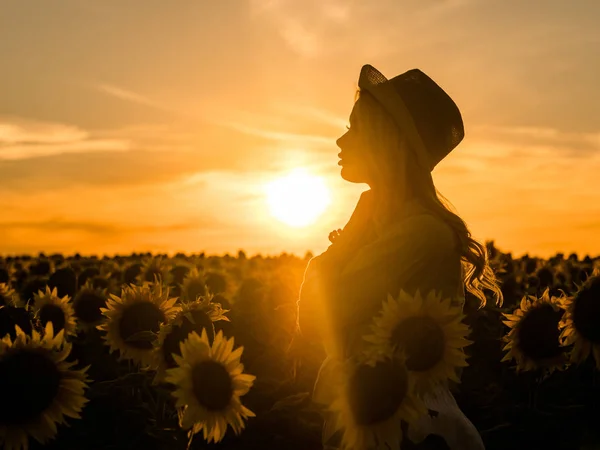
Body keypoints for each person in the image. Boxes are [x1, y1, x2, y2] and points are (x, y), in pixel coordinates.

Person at [294, 64, 504, 450]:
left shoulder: (419, 234)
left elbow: (316, 317)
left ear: (386, 139)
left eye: (354, 127)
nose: (341, 141)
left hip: (409, 428)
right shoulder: (390, 226)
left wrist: (346, 240)